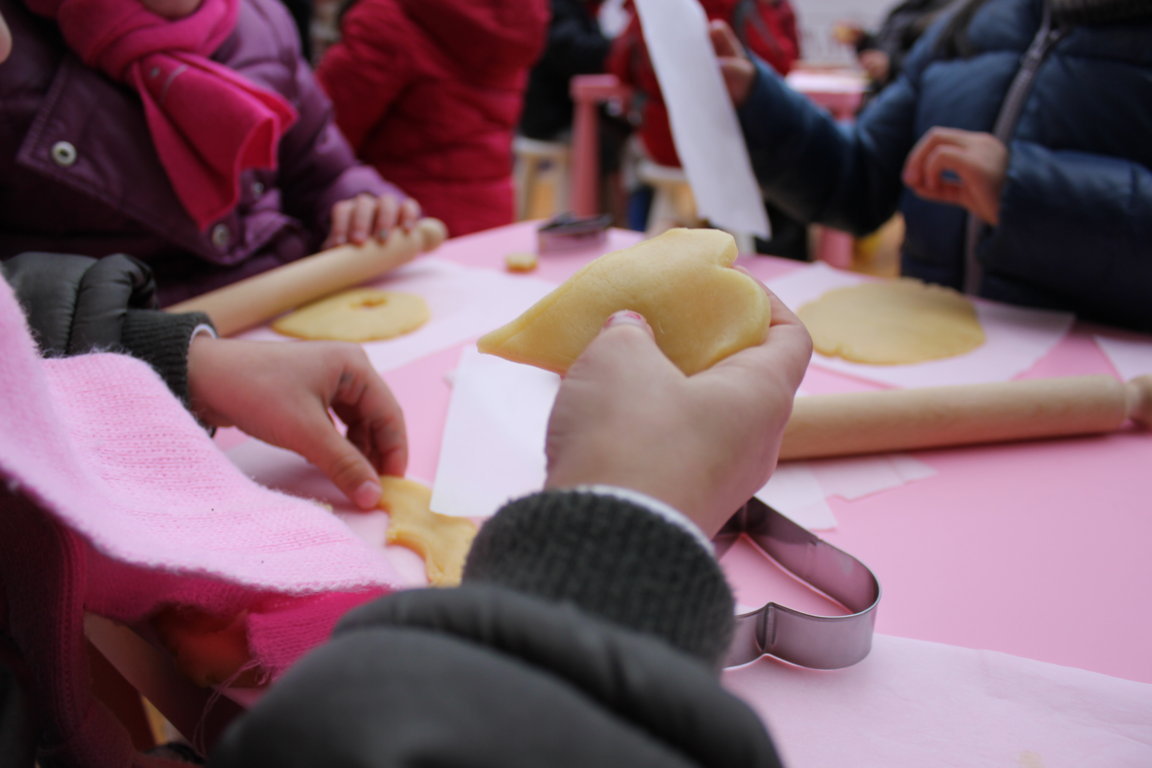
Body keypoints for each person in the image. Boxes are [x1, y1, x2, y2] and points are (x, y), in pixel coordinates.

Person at [711, 0, 1152, 330]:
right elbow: (860, 179)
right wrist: (757, 102)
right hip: (934, 365)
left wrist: (1028, 192)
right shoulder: (969, 24)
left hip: (1107, 391)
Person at [0, 0, 421, 306]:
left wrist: (359, 202)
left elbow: (322, 170)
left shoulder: (263, 21)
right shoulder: (12, 51)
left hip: (287, 309)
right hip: (126, 356)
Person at [315, 0, 549, 238]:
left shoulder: (390, 17)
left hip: (402, 225)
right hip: (489, 222)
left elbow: (322, 136)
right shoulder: (517, 14)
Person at [608, 0, 809, 260]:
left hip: (665, 145)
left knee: (633, 159)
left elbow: (619, 65)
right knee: (783, 161)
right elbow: (778, 65)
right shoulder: (746, 7)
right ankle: (771, 256)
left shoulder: (649, 8)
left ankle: (642, 237)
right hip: (732, 149)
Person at [833, 0, 958, 100]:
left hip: (910, 104)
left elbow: (938, 63)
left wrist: (891, 65)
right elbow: (887, 48)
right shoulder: (908, 7)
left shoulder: (951, 13)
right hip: (884, 98)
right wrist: (863, 40)